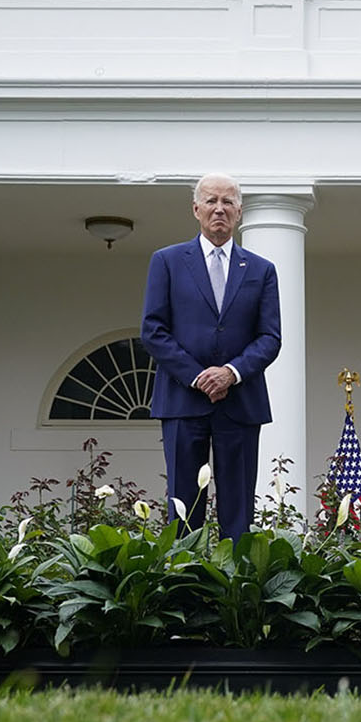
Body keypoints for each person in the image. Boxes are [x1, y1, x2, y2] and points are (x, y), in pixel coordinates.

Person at [141, 173, 282, 539]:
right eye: (211, 201)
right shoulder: (167, 261)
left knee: (238, 508)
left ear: (239, 211)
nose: (219, 209)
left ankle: (235, 585)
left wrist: (231, 373)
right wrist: (198, 376)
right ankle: (186, 584)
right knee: (184, 507)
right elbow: (154, 330)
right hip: (183, 400)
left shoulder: (261, 269)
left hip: (240, 402)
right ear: (196, 209)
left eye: (228, 202)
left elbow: (270, 337)